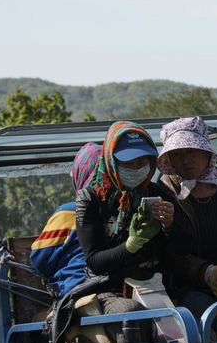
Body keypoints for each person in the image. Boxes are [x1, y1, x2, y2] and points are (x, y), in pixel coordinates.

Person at [157, 116, 217, 321]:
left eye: (191, 151)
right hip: (192, 288)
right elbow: (166, 250)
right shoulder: (165, 192)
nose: (185, 160)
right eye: (177, 154)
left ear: (206, 151)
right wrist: (205, 272)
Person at [75, 121, 174, 316]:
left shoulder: (156, 193)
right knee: (131, 313)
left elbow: (174, 252)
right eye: (127, 163)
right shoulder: (91, 198)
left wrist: (170, 226)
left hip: (154, 284)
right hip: (108, 289)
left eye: (141, 162)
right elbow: (95, 261)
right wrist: (130, 245)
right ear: (111, 161)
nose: (136, 168)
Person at [30, 142, 102, 298]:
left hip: (75, 288)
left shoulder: (68, 212)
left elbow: (39, 261)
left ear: (79, 176)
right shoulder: (122, 209)